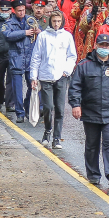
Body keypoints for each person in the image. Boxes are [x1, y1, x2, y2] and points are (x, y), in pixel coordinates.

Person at [68, 33, 109, 186]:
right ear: (95, 46)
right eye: (101, 45)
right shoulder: (84, 65)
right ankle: (93, 174)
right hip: (90, 111)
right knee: (92, 144)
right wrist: (76, 105)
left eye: (106, 46)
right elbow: (75, 87)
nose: (104, 48)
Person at [30, 10, 77, 150]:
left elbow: (72, 56)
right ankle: (48, 130)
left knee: (60, 109)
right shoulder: (43, 36)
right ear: (50, 21)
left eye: (58, 21)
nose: (56, 24)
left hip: (61, 77)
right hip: (45, 77)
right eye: (54, 21)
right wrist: (34, 76)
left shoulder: (67, 36)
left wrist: (66, 71)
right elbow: (36, 57)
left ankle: (57, 137)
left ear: (62, 21)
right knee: (48, 107)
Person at [3, 0, 39, 123]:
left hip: (30, 58)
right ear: (14, 10)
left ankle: (27, 105)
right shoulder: (9, 23)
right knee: (17, 88)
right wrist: (24, 32)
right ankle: (19, 112)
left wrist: (38, 32)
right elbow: (7, 35)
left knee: (32, 86)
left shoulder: (31, 20)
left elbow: (39, 35)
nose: (22, 13)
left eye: (23, 10)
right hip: (16, 57)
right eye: (19, 11)